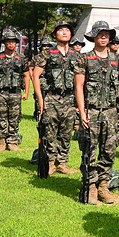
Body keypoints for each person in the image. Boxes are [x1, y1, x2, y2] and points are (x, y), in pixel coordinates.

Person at [74, 21, 119, 204]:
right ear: (94, 37)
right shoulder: (84, 58)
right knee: (89, 149)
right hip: (91, 111)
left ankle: (103, 185)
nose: (104, 36)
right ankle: (90, 185)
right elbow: (79, 86)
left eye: (106, 34)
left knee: (109, 150)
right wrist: (82, 111)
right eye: (100, 34)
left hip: (111, 112)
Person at [33, 20, 81, 175]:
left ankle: (62, 162)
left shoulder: (77, 55)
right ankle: (51, 162)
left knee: (66, 133)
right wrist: (41, 100)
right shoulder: (47, 53)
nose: (65, 32)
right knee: (50, 132)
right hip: (52, 98)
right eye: (61, 30)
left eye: (67, 30)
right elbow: (35, 75)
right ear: (55, 34)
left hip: (70, 99)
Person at [0, 29, 30, 151]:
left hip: (16, 92)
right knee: (0, 117)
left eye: (13, 42)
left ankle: (12, 142)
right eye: (8, 41)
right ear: (4, 43)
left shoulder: (22, 58)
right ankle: (1, 142)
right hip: (1, 92)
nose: (11, 44)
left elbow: (27, 75)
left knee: (15, 117)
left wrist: (26, 92)